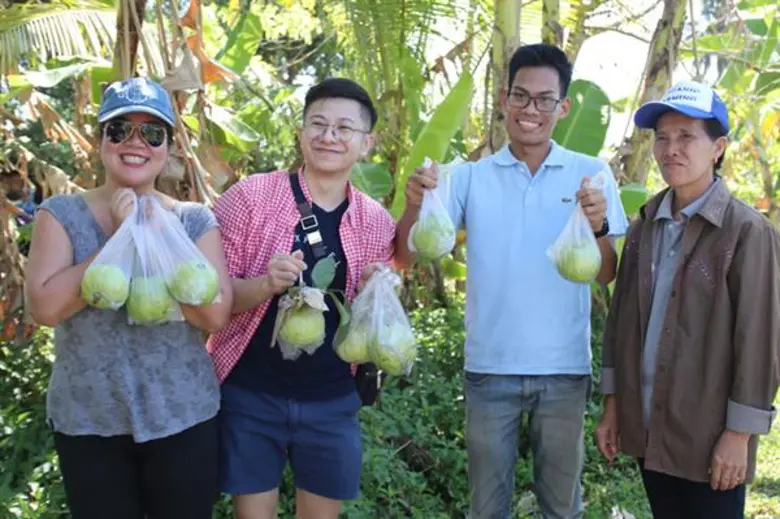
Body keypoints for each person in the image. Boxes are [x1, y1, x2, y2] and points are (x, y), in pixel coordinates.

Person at [396, 43, 629, 518]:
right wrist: (416, 202)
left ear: (563, 108)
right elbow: (417, 251)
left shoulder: (592, 174)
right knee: (487, 508)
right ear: (504, 99)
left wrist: (599, 225)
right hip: (489, 369)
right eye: (521, 96)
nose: (531, 110)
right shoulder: (467, 177)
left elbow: (606, 274)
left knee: (563, 508)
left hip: (564, 369)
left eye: (546, 100)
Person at [24, 77, 234, 519]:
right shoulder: (61, 214)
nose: (134, 142)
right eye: (119, 129)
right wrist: (123, 237)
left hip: (183, 413)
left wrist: (157, 236)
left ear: (169, 147)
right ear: (100, 140)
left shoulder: (194, 221)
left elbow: (215, 315)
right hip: (89, 419)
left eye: (152, 132)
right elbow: (43, 309)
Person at [207, 77, 396, 519]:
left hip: (332, 402)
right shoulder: (249, 198)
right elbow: (209, 303)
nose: (329, 136)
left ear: (366, 143)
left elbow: (370, 322)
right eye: (318, 123)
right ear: (301, 133)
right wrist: (264, 284)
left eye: (344, 128)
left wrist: (379, 290)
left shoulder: (376, 223)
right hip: (252, 395)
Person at [595, 80, 780, 519]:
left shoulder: (746, 232)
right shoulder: (645, 228)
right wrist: (613, 406)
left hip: (708, 435)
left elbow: (760, 340)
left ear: (717, 148)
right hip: (649, 427)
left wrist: (739, 434)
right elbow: (622, 322)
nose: (670, 149)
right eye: (662, 137)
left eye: (686, 137)